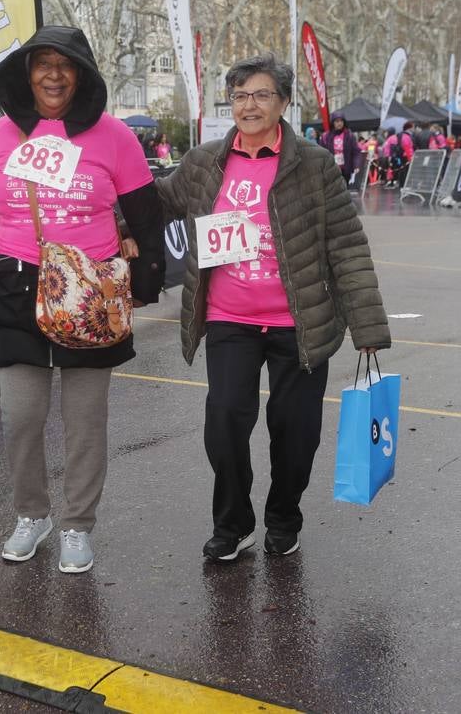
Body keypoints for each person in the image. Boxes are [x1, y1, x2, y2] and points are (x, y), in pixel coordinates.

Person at [0, 26, 165, 574]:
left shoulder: (116, 137)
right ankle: (32, 514)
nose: (53, 74)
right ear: (26, 75)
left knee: (84, 421)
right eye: (42, 63)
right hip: (17, 290)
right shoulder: (1, 137)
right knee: (23, 417)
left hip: (89, 294)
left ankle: (77, 525)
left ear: (82, 75)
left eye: (64, 64)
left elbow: (146, 218)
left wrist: (144, 285)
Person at [154, 54, 390, 562]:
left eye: (261, 94)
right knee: (224, 423)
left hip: (299, 323)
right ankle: (233, 523)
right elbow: (155, 203)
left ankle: (284, 518)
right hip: (228, 319)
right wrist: (104, 203)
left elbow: (346, 244)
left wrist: (367, 323)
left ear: (283, 103)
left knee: (295, 431)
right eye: (239, 95)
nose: (249, 105)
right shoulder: (203, 163)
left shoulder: (313, 164)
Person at [318, 114, 362, 185]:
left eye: (341, 121)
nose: (339, 123)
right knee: (333, 190)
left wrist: (356, 165)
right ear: (333, 123)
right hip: (331, 169)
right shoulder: (325, 137)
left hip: (346, 168)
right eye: (337, 121)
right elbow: (321, 153)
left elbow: (356, 152)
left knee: (344, 189)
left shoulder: (349, 135)